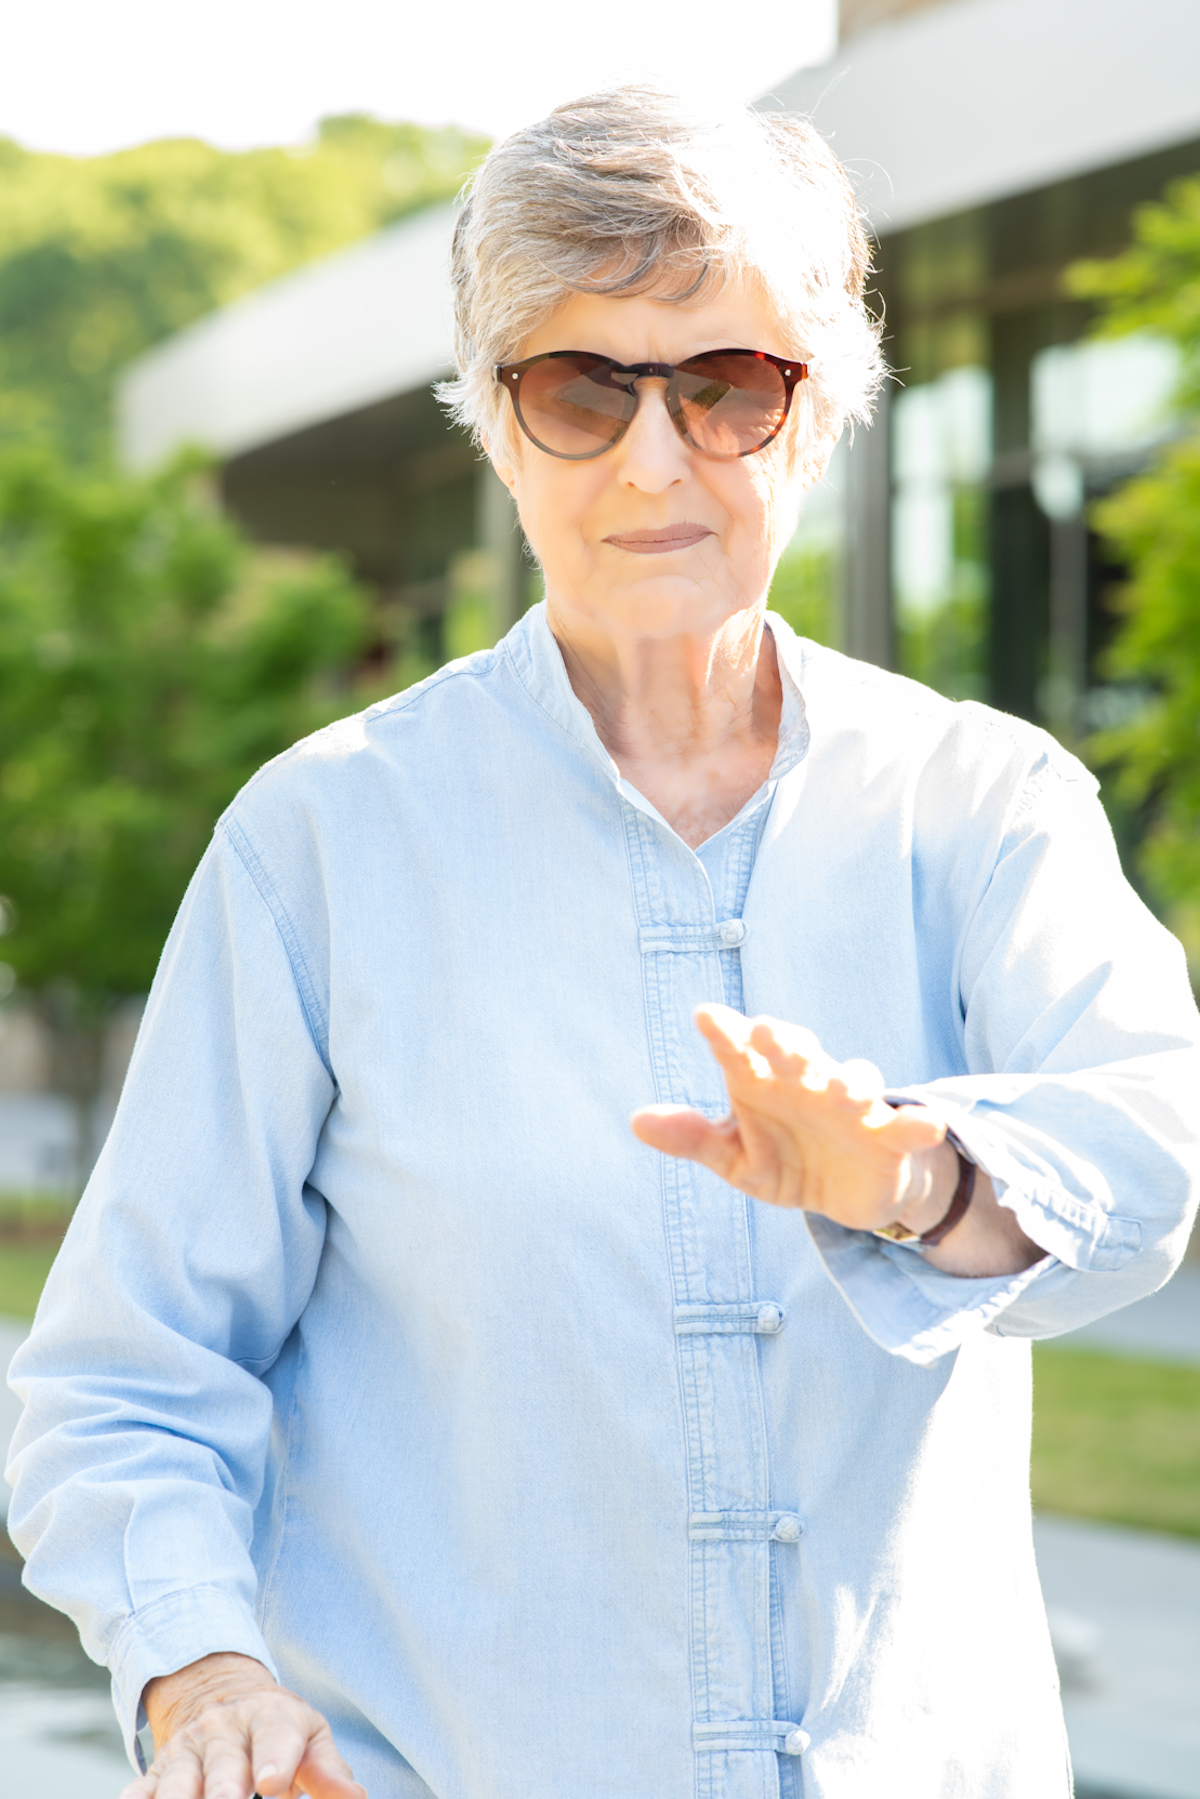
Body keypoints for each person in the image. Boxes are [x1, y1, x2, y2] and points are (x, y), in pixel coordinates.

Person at [8, 86, 1200, 1799]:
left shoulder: (986, 802)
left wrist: (913, 1180)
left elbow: (1150, 1158)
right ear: (494, 427)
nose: (657, 461)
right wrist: (202, 1679)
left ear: (820, 415)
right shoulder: (319, 844)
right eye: (581, 390)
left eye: (725, 387)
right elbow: (127, 1378)